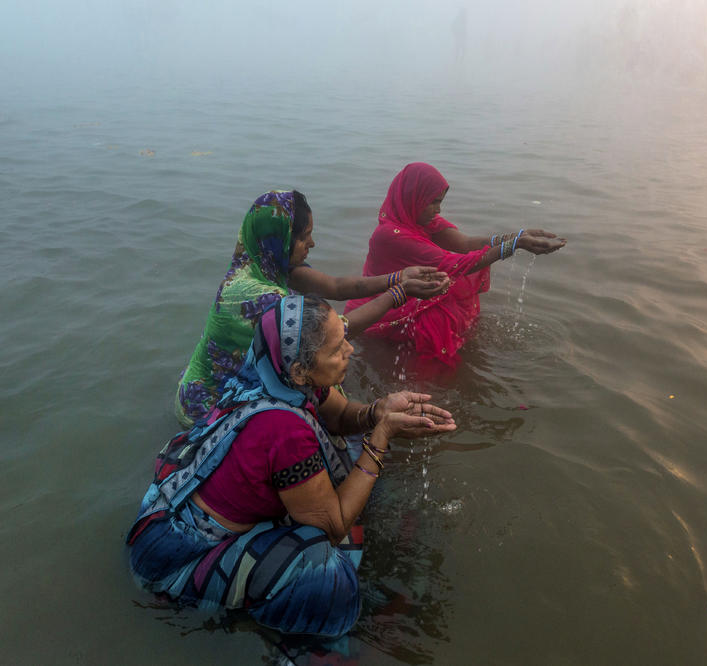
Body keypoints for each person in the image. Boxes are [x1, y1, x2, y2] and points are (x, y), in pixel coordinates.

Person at [128, 295, 456, 637]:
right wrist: (382, 437)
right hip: (175, 557)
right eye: (336, 349)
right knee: (325, 574)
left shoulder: (273, 372)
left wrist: (378, 411)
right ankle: (283, 633)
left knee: (347, 450)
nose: (350, 350)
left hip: (172, 507)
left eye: (344, 336)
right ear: (300, 371)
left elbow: (343, 416)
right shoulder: (284, 430)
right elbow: (333, 526)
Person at [175, 189, 450, 426]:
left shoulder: (264, 261)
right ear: (281, 239)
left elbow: (338, 287)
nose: (312, 244)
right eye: (305, 236)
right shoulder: (259, 297)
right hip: (208, 406)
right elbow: (337, 331)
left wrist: (398, 277)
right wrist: (399, 294)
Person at [344, 163, 565, 365]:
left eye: (440, 202)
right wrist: (515, 245)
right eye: (434, 202)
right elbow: (456, 264)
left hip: (408, 294)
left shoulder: (420, 220)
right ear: (415, 197)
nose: (438, 210)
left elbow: (466, 243)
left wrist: (515, 237)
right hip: (377, 312)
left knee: (446, 295)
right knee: (437, 318)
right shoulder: (390, 235)